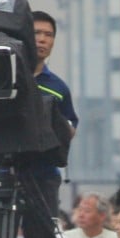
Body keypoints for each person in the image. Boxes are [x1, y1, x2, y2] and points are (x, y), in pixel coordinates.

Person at [31, 11, 78, 225]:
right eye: (36, 33)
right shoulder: (6, 79)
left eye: (48, 35)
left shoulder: (58, 88)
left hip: (43, 174)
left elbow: (71, 124)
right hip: (4, 172)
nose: (42, 39)